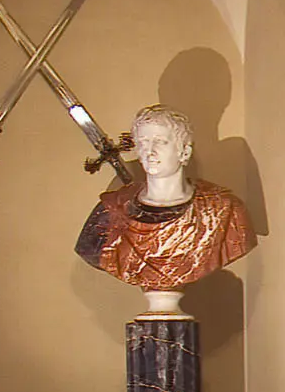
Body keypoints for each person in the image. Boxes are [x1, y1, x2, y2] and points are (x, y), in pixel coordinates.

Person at [75, 104, 255, 307]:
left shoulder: (223, 211)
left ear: (184, 152)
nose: (149, 151)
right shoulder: (108, 213)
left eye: (160, 142)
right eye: (142, 142)